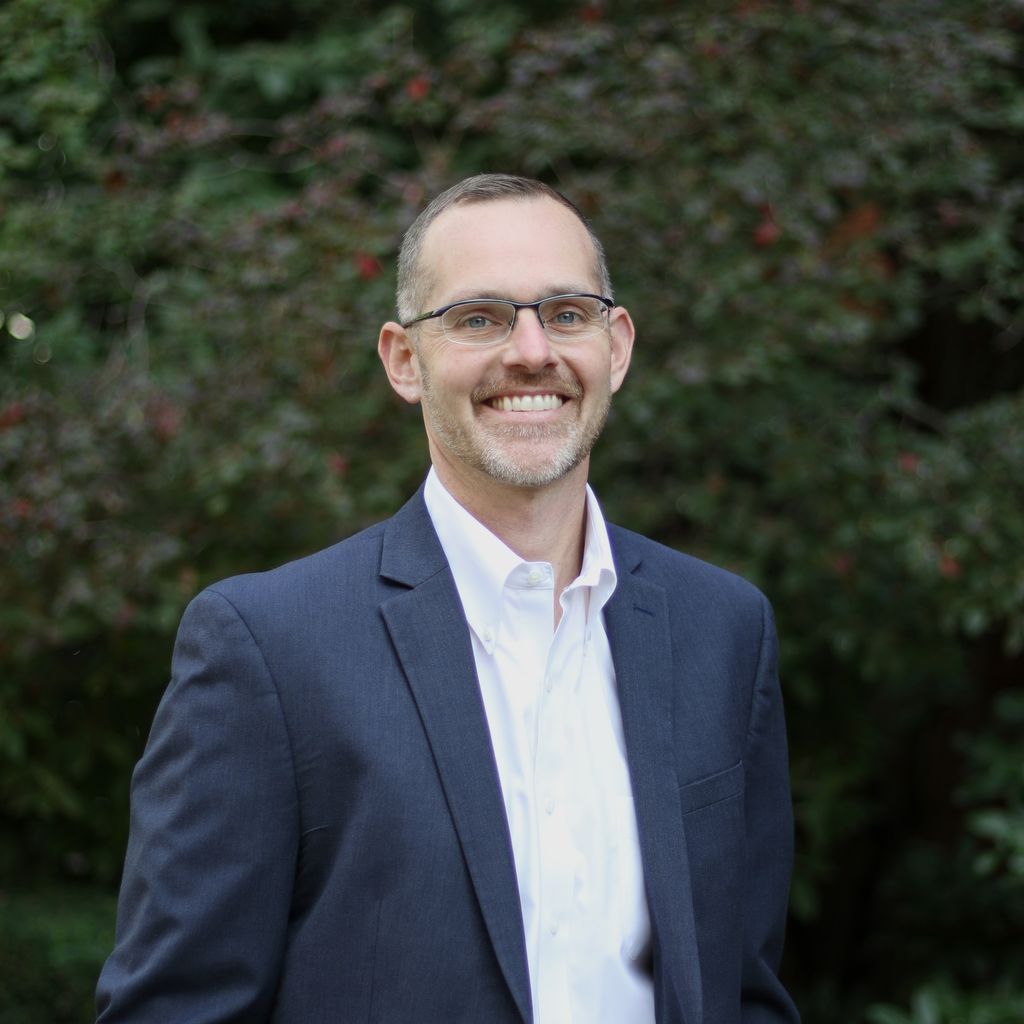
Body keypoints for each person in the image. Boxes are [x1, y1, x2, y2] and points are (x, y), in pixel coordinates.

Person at [96, 173, 800, 1023]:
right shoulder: (267, 649)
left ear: (616, 345)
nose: (533, 351)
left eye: (567, 313)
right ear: (403, 360)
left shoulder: (723, 630)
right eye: (480, 318)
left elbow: (747, 991)